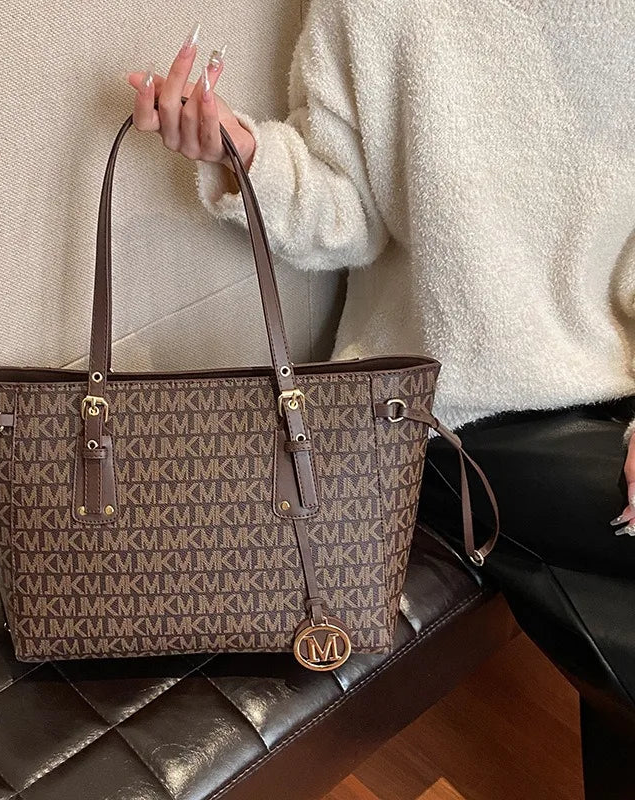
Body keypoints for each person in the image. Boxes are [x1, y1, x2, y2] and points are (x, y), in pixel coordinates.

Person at [124, 3, 635, 794]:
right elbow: (351, 213)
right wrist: (246, 155)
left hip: (614, 388)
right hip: (447, 412)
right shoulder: (371, 10)